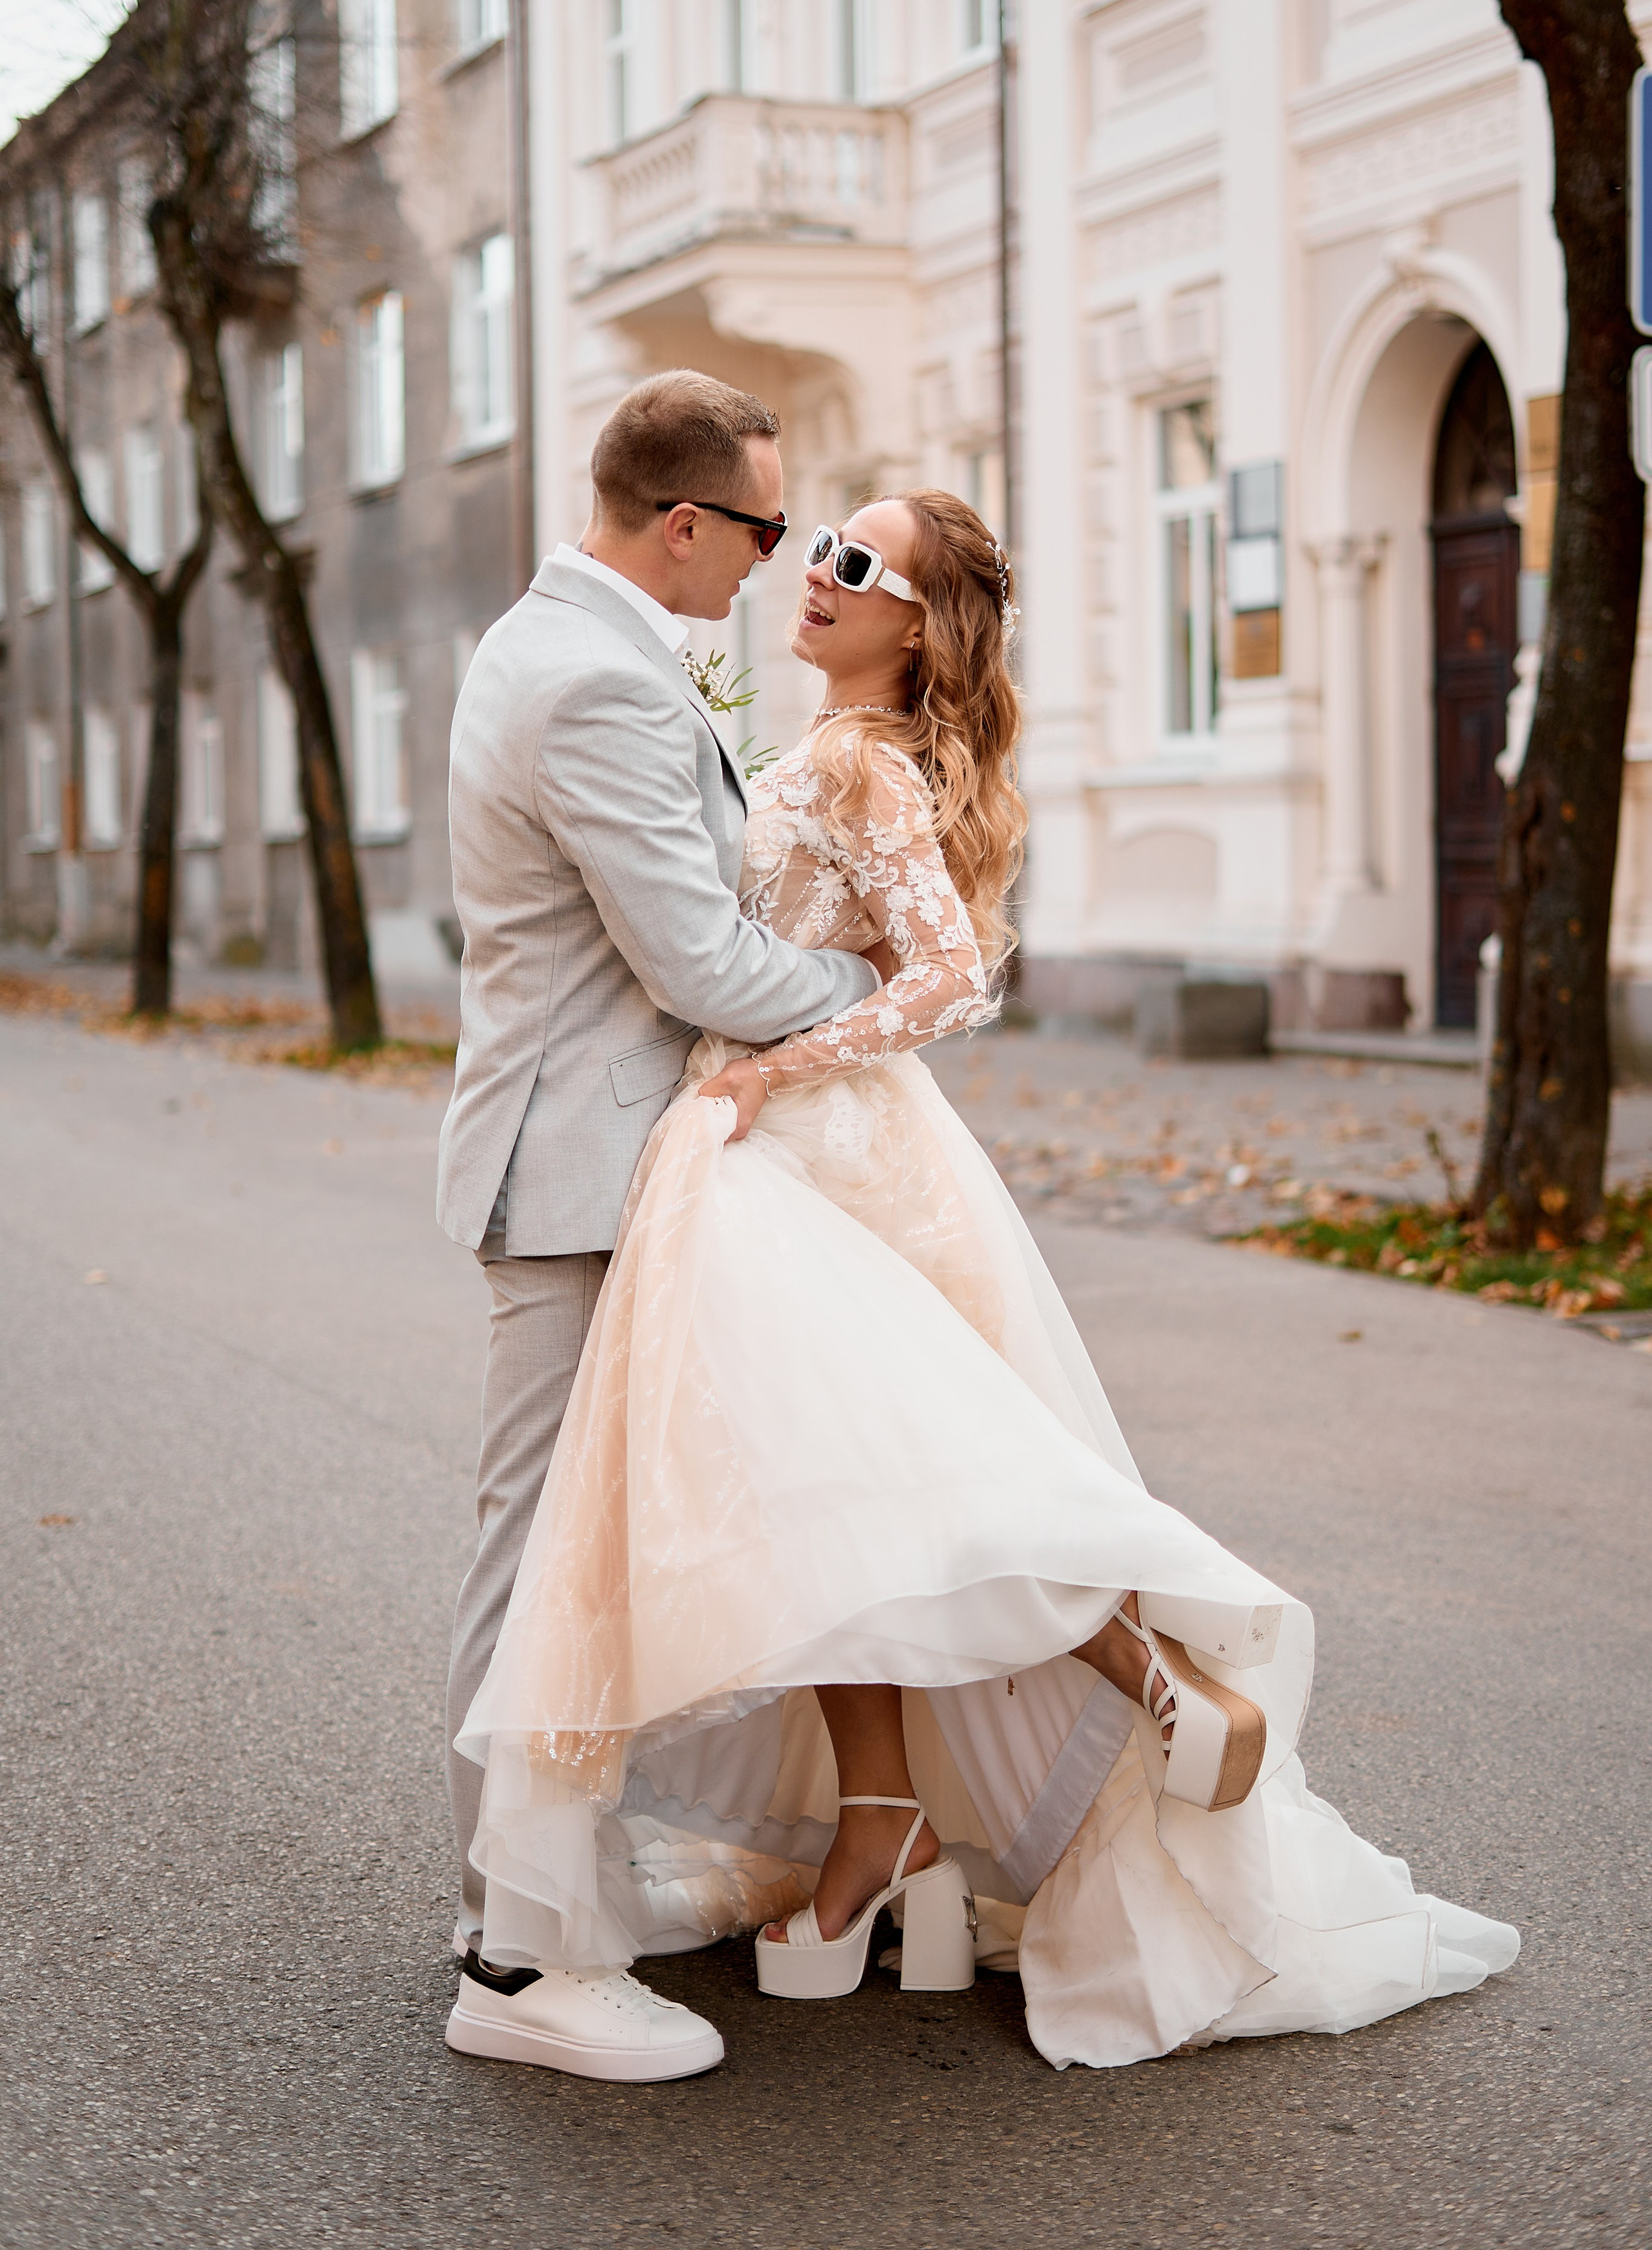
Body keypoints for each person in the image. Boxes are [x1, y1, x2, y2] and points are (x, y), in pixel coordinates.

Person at [456, 487, 1519, 2076]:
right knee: (831, 1504)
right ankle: (884, 1824)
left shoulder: (855, 762)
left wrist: (764, 1072)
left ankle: (1141, 1672)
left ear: (918, 624)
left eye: (858, 566)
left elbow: (954, 975)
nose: (820, 575)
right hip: (781, 1147)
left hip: (809, 1150)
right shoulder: (828, 746)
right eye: (821, 545)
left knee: (900, 1475)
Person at [437, 370, 890, 2082]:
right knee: (548, 1563)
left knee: (587, 1548)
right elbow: (695, 961)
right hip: (578, 1169)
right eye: (766, 531)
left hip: (592, 1155)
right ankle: (518, 1958)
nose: (780, 563)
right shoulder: (597, 682)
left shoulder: (561, 644)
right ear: (685, 522)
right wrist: (876, 985)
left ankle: (546, 1888)